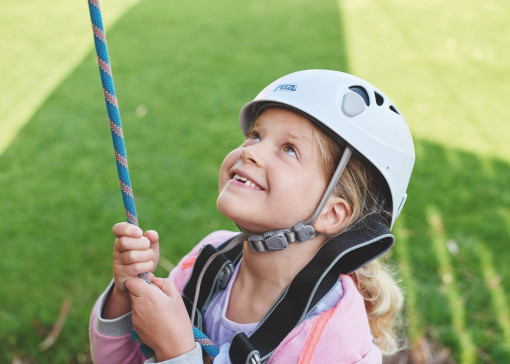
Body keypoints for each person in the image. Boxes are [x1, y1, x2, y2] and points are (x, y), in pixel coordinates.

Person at [89, 69, 415, 364]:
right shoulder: (206, 264)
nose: (249, 150)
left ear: (332, 213)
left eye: (288, 149)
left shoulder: (333, 342)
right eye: (256, 135)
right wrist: (123, 295)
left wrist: (176, 352)